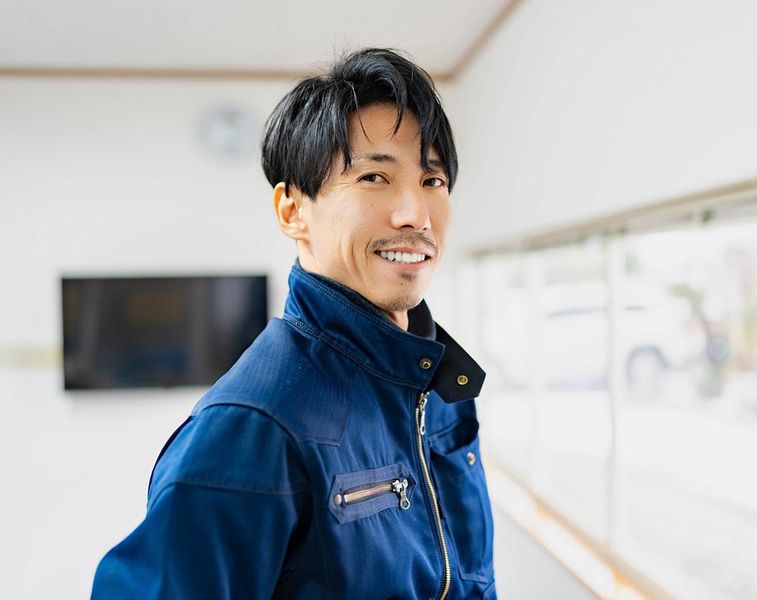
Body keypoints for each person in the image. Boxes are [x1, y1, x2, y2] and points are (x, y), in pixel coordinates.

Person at [91, 47, 496, 600]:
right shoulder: (252, 428)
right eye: (375, 176)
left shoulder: (437, 383)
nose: (415, 215)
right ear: (292, 211)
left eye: (433, 180)